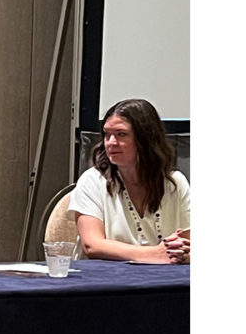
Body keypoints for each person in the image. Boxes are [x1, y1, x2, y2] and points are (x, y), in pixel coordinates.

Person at [68, 98, 190, 264]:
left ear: (146, 139)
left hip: (165, 279)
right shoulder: (92, 180)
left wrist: (179, 252)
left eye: (121, 134)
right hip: (107, 280)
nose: (110, 143)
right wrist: (155, 254)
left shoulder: (175, 182)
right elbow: (92, 245)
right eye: (107, 134)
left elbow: (189, 244)